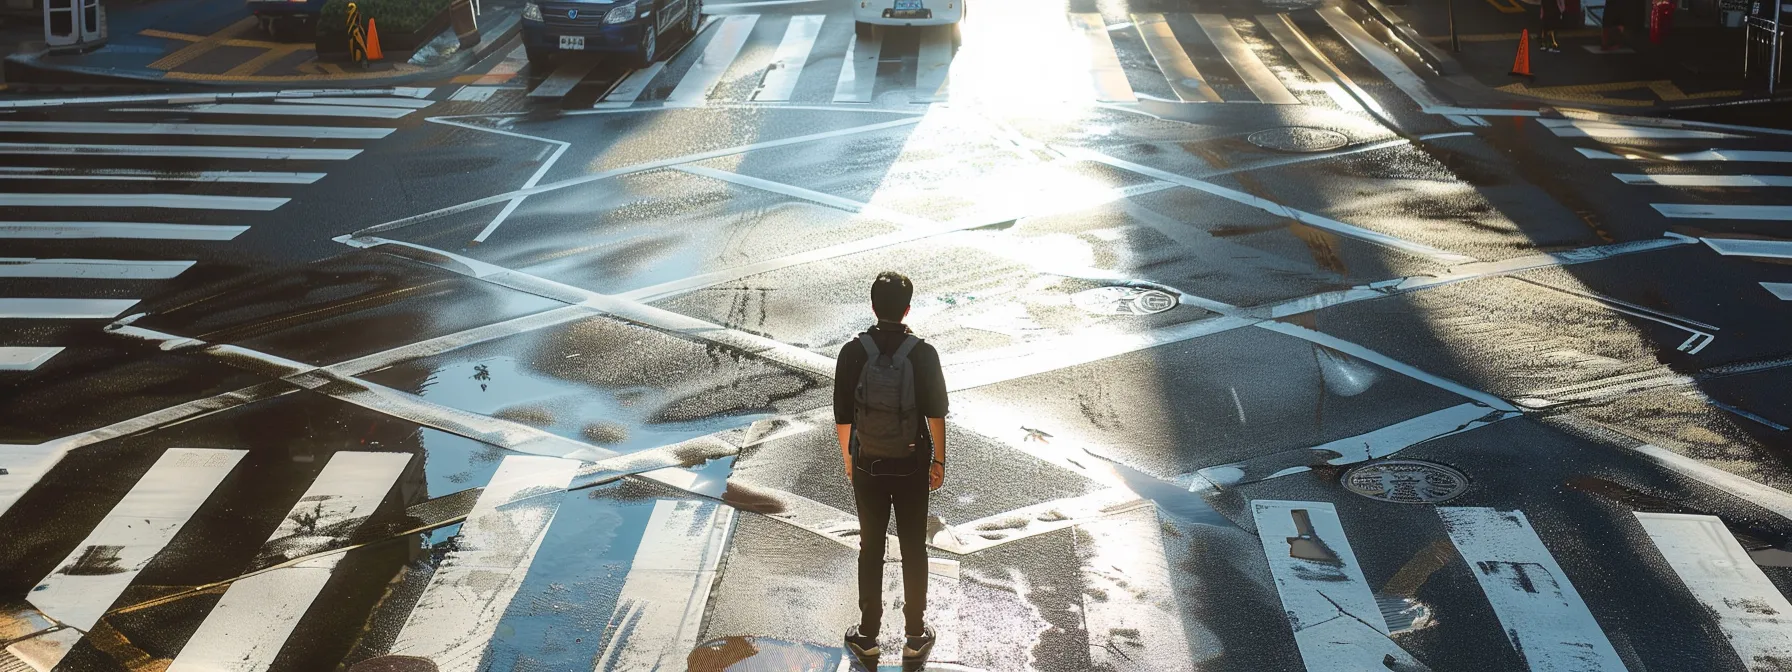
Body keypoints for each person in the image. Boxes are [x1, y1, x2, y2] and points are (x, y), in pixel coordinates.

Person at [836, 271, 948, 664]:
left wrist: (851, 462)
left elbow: (842, 417)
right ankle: (915, 636)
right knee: (914, 546)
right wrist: (938, 460)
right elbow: (936, 414)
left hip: (867, 464)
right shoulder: (923, 353)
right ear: (907, 308)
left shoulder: (852, 352)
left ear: (872, 306)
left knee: (871, 546)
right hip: (911, 464)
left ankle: (867, 635)